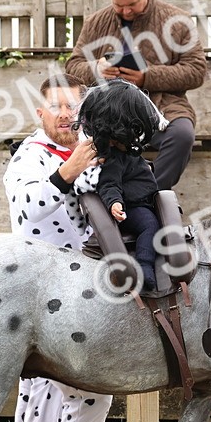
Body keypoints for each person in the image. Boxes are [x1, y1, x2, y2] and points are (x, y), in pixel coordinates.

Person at [2, 73, 116, 422]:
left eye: (75, 107)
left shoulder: (88, 148)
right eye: (58, 107)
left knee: (90, 392)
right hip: (38, 295)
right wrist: (65, 173)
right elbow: (27, 208)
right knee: (46, 399)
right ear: (40, 114)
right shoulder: (28, 158)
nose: (67, 115)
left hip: (83, 291)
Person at [65, 0, 207, 191]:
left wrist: (146, 77)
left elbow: (196, 70)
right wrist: (96, 68)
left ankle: (149, 195)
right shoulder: (96, 23)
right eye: (118, 6)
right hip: (108, 109)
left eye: (132, 4)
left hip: (164, 108)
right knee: (79, 136)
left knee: (182, 136)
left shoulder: (179, 21)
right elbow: (73, 66)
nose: (126, 11)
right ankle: (104, 200)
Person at [71, 79, 162, 291]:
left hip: (144, 201)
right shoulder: (113, 159)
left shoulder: (127, 153)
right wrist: (115, 203)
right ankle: (145, 267)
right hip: (131, 207)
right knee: (150, 226)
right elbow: (108, 184)